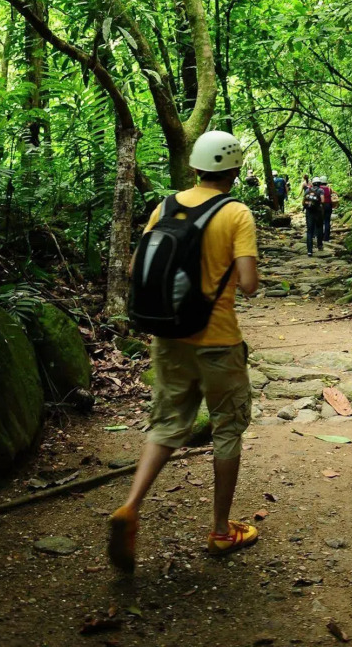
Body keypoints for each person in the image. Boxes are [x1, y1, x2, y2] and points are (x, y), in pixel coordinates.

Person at [108, 130, 259, 572]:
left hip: (169, 337)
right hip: (218, 340)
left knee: (168, 423)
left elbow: (137, 268)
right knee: (228, 427)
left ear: (194, 166)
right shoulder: (237, 213)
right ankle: (219, 530)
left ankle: (131, 506)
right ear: (234, 171)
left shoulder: (165, 206)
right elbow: (249, 286)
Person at [303, 176, 324, 256]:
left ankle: (309, 251)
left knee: (309, 231)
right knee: (319, 228)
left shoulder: (308, 190)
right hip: (318, 212)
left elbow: (303, 201)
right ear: (319, 183)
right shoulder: (320, 190)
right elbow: (322, 200)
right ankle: (319, 245)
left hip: (309, 212)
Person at [317, 175, 336, 241]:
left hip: (321, 206)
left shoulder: (318, 188)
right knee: (327, 221)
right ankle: (326, 237)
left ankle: (320, 236)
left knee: (321, 221)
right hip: (328, 205)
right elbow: (334, 194)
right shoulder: (329, 188)